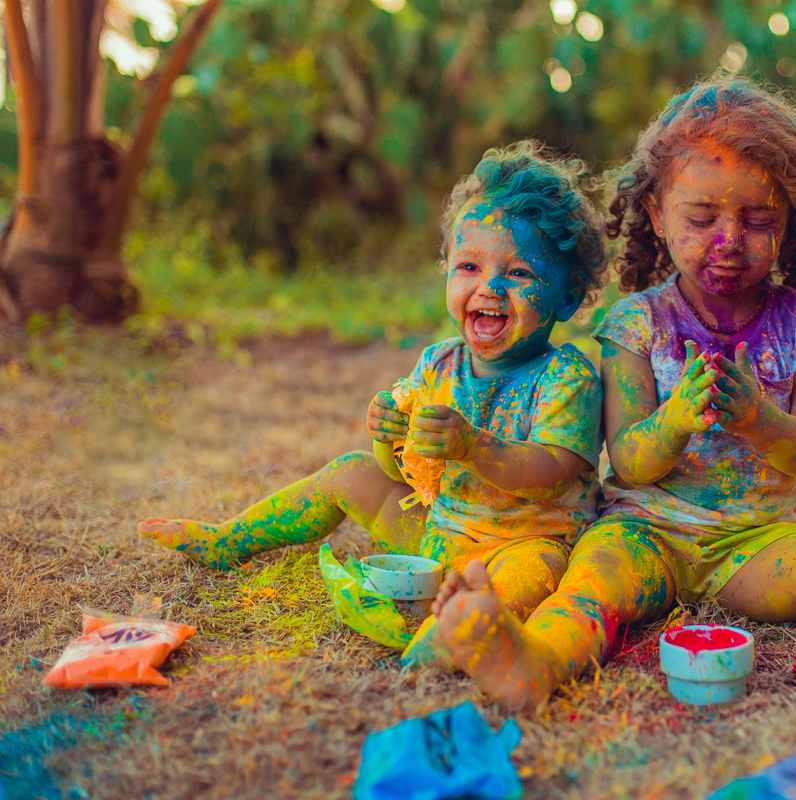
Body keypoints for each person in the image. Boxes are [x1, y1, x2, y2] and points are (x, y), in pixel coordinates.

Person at [429, 77, 796, 710]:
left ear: (790, 220)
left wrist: (758, 420)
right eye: (702, 217)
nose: (728, 240)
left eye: (758, 219)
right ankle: (535, 663)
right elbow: (628, 460)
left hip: (755, 545)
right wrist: (677, 419)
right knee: (591, 582)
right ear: (658, 215)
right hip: (643, 533)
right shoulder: (636, 324)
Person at [139, 141, 608, 665]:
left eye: (519, 274)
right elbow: (408, 475)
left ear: (567, 296)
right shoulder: (439, 363)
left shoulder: (567, 375)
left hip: (526, 542)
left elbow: (555, 471)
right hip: (439, 535)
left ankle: (448, 634)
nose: (489, 287)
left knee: (529, 572)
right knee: (351, 472)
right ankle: (227, 540)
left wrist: (474, 446)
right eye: (469, 266)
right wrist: (388, 439)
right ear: (448, 269)